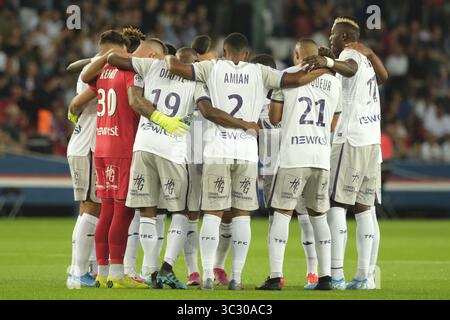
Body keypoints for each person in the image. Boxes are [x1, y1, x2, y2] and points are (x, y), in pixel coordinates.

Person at [166, 32, 328, 290]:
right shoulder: (260, 72)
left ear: (224, 53)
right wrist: (324, 68)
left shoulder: (212, 67)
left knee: (213, 213)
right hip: (246, 153)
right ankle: (236, 278)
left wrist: (164, 56)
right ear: (247, 55)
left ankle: (206, 273)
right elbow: (296, 78)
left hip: (217, 150)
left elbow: (175, 66)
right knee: (241, 217)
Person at [71, 35, 187, 289]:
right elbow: (135, 102)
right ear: (153, 56)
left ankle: (102, 272)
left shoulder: (108, 68)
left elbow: (83, 81)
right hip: (122, 147)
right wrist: (161, 118)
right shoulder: (133, 72)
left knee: (107, 211)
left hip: (101, 145)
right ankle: (117, 273)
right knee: (122, 214)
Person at [303, 17, 388, 290]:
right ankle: (365, 276)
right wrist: (368, 54)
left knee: (336, 204)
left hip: (350, 140)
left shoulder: (352, 54)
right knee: (365, 209)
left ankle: (336, 275)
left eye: (332, 35)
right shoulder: (366, 59)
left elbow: (348, 68)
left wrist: (327, 62)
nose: (329, 38)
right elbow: (384, 77)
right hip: (371, 142)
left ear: (344, 37)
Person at [256, 39, 341, 291]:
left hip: (294, 155)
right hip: (321, 157)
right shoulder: (335, 83)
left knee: (281, 214)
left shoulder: (288, 76)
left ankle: (274, 277)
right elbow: (334, 124)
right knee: (318, 217)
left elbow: (274, 118)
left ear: (296, 54)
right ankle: (325, 277)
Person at [254, 50, 320, 289]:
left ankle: (277, 274)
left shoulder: (268, 97)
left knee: (278, 219)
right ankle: (313, 272)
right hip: (298, 160)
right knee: (306, 219)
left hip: (277, 166)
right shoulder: (292, 90)